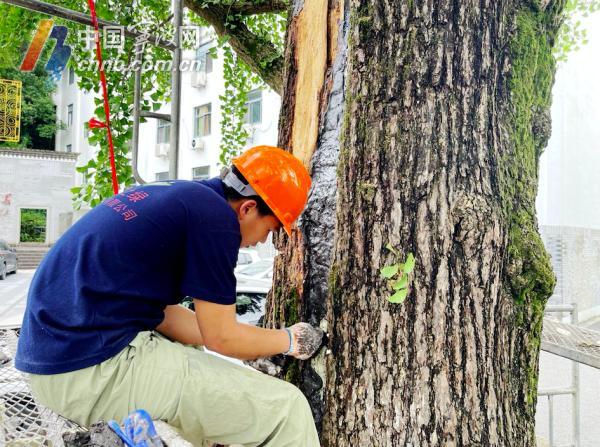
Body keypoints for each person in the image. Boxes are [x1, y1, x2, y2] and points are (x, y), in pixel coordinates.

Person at [15, 145, 324, 446]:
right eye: (270, 230)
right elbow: (222, 338)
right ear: (248, 208)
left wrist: (257, 343)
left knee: (193, 352)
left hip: (53, 369)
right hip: (93, 371)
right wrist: (290, 340)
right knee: (286, 410)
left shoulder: (180, 197)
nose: (261, 242)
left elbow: (169, 318)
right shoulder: (217, 221)